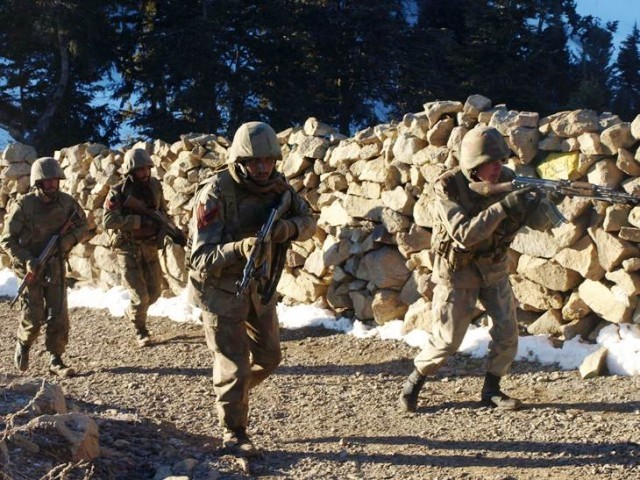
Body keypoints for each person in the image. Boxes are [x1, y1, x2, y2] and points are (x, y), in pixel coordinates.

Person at [399, 125, 560, 412]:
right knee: (448, 341)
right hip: (458, 272)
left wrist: (545, 202)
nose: (499, 168)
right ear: (474, 165)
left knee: (508, 332)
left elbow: (539, 224)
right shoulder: (447, 187)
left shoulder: (509, 180)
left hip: (493, 268)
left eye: (501, 161)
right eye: (492, 163)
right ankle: (415, 380)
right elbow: (464, 233)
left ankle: (492, 389)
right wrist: (503, 207)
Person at [187, 121, 316, 456]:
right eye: (254, 162)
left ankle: (231, 393)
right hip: (220, 291)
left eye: (268, 161)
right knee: (233, 364)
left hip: (261, 286)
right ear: (240, 160)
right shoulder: (215, 192)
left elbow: (309, 220)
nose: (262, 168)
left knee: (270, 357)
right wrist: (239, 249)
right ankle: (234, 431)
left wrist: (286, 228)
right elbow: (199, 257)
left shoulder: (279, 187)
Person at [0, 157, 88, 377]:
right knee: (33, 316)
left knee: (59, 315)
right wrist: (27, 259)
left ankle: (56, 359)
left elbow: (82, 225)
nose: (52, 185)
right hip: (30, 266)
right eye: (47, 181)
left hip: (55, 265)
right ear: (38, 182)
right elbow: (6, 240)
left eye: (55, 180)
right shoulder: (24, 206)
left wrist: (68, 240)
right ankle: (24, 342)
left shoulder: (67, 203)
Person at [103, 148, 168, 347]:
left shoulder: (155, 185)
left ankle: (132, 312)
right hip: (128, 248)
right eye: (139, 170)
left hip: (149, 246)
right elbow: (108, 220)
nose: (144, 173)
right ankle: (140, 329)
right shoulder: (118, 191)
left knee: (155, 293)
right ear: (131, 171)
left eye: (147, 168)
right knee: (141, 296)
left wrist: (167, 227)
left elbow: (162, 209)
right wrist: (138, 221)